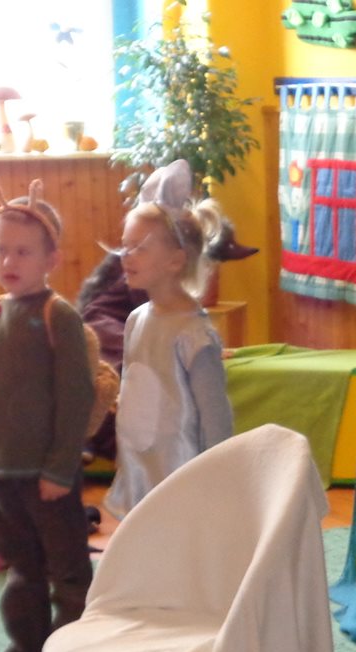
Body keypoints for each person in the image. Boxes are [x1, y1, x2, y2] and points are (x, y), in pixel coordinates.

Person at [0, 163, 94, 652]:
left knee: (67, 571)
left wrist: (60, 468)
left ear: (51, 260)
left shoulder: (57, 315)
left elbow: (77, 396)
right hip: (1, 471)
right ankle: (26, 650)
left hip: (48, 475)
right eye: (1, 250)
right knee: (21, 567)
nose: (9, 261)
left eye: (23, 252)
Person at [102, 160, 236, 519]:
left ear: (176, 261)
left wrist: (217, 478)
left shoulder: (193, 334)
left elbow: (215, 417)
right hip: (140, 470)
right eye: (125, 246)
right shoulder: (136, 320)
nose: (126, 257)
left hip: (181, 476)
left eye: (140, 248)